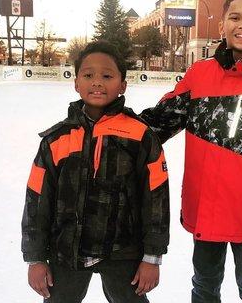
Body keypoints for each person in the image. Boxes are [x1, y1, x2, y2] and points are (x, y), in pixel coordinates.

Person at [140, 0, 242, 303]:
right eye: (235, 17)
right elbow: (160, 122)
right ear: (223, 22)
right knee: (204, 286)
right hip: (205, 209)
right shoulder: (199, 74)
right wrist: (111, 121)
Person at [21, 41, 170, 303]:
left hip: (123, 251)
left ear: (123, 84)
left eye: (107, 76)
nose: (97, 82)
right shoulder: (56, 140)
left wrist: (152, 256)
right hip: (67, 250)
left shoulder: (140, 135)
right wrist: (35, 257)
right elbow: (37, 199)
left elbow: (156, 198)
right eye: (88, 75)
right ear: (76, 82)